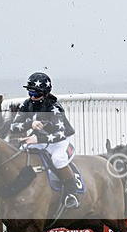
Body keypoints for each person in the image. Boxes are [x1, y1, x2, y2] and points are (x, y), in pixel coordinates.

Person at [9, 72, 81, 209]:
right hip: (40, 140)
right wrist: (30, 124)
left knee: (58, 160)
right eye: (30, 92)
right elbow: (13, 127)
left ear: (45, 93)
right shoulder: (27, 104)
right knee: (19, 154)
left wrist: (38, 138)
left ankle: (72, 194)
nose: (32, 97)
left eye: (36, 94)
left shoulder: (54, 107)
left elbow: (60, 134)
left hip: (59, 142)